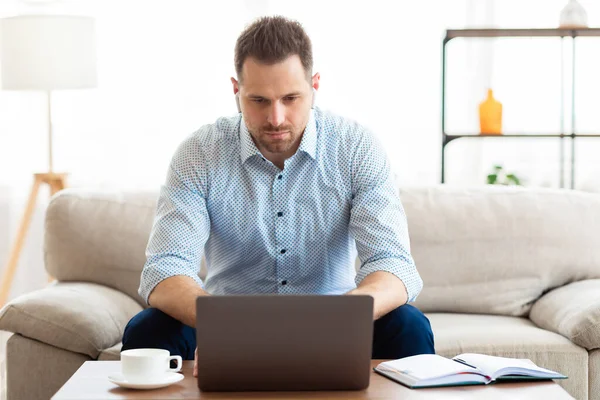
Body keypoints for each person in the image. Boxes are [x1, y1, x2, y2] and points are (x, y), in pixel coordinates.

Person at [121, 15, 434, 377]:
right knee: (147, 329)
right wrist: (228, 326)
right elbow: (165, 269)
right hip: (226, 322)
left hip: (334, 323)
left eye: (291, 98)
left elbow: (393, 265)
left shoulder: (356, 147)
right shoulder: (199, 152)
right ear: (235, 90)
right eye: (258, 100)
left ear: (314, 86)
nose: (275, 117)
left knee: (409, 325)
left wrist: (341, 318)